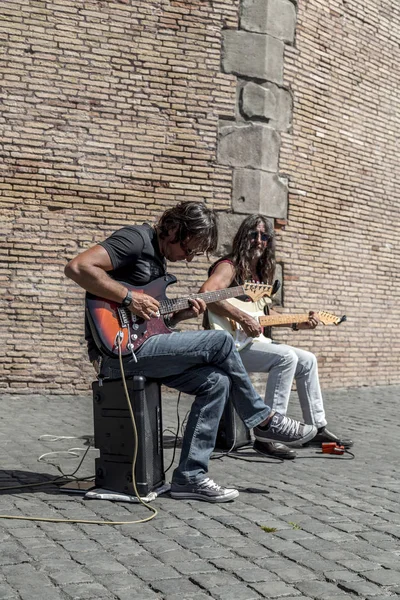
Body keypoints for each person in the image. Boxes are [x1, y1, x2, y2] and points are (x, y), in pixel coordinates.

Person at [65, 202, 317, 502]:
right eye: (190, 248)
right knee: (221, 341)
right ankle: (263, 420)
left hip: (144, 344)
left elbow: (155, 320)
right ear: (175, 229)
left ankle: (190, 477)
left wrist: (181, 315)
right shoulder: (135, 239)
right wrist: (129, 297)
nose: (189, 257)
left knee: (217, 382)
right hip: (120, 351)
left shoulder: (158, 260)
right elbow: (78, 267)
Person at [200, 214, 353, 460]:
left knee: (307, 360)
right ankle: (267, 432)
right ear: (243, 237)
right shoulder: (229, 266)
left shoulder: (260, 274)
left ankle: (317, 428)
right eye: (253, 235)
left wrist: (298, 322)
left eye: (264, 236)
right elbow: (207, 294)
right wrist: (242, 318)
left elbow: (265, 314)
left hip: (252, 342)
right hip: (229, 345)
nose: (259, 241)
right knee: (285, 357)